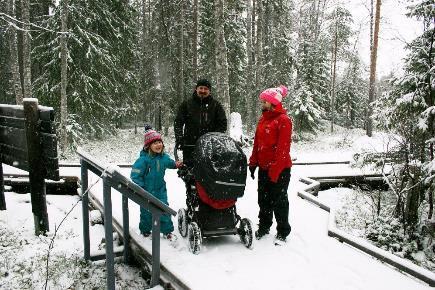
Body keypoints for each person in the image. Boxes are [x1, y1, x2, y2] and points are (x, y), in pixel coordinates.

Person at [248, 85, 293, 246]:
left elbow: (283, 149)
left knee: (279, 200)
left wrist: (274, 171)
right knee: (264, 200)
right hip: (264, 168)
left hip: (280, 169)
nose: (262, 103)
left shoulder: (283, 120)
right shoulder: (263, 119)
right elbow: (257, 144)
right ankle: (265, 226)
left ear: (272, 102)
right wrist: (253, 162)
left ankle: (282, 231)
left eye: (264, 101)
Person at [130, 125, 182, 241]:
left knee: (164, 210)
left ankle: (167, 231)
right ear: (148, 146)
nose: (158, 145)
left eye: (159, 142)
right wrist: (141, 188)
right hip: (146, 191)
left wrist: (176, 164)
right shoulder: (143, 160)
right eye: (155, 143)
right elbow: (135, 174)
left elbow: (170, 163)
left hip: (160, 190)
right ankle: (145, 231)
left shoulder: (163, 158)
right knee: (146, 213)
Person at [174, 78, 227, 166]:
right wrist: (179, 138)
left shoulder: (216, 106)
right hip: (190, 146)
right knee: (190, 175)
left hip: (210, 148)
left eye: (206, 89)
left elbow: (222, 124)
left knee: (209, 174)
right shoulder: (187, 104)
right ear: (196, 89)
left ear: (209, 91)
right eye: (201, 88)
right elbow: (178, 122)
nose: (203, 91)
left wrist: (214, 139)